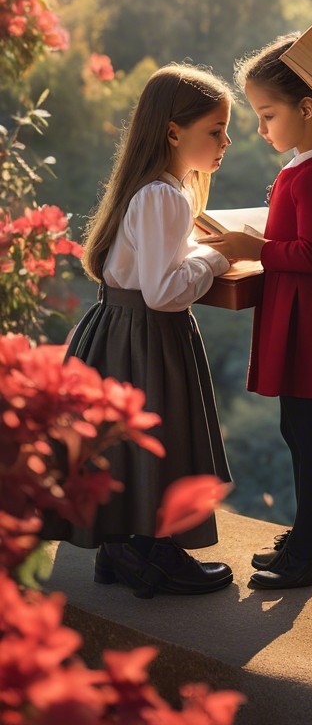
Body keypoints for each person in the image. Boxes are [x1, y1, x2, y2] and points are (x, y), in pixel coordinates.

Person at [61, 64, 235, 598]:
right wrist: (214, 259)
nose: (225, 142)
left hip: (121, 327)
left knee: (135, 446)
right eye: (215, 131)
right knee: (160, 437)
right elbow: (163, 290)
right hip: (147, 331)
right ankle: (149, 552)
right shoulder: (163, 196)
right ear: (173, 131)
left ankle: (124, 550)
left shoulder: (153, 189)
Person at [205, 36, 312, 591]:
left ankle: (307, 551)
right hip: (295, 307)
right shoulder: (304, 168)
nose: (261, 129)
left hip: (309, 314)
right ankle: (302, 537)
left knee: (308, 433)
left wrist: (253, 248)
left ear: (306, 109)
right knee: (297, 428)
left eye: (267, 114)